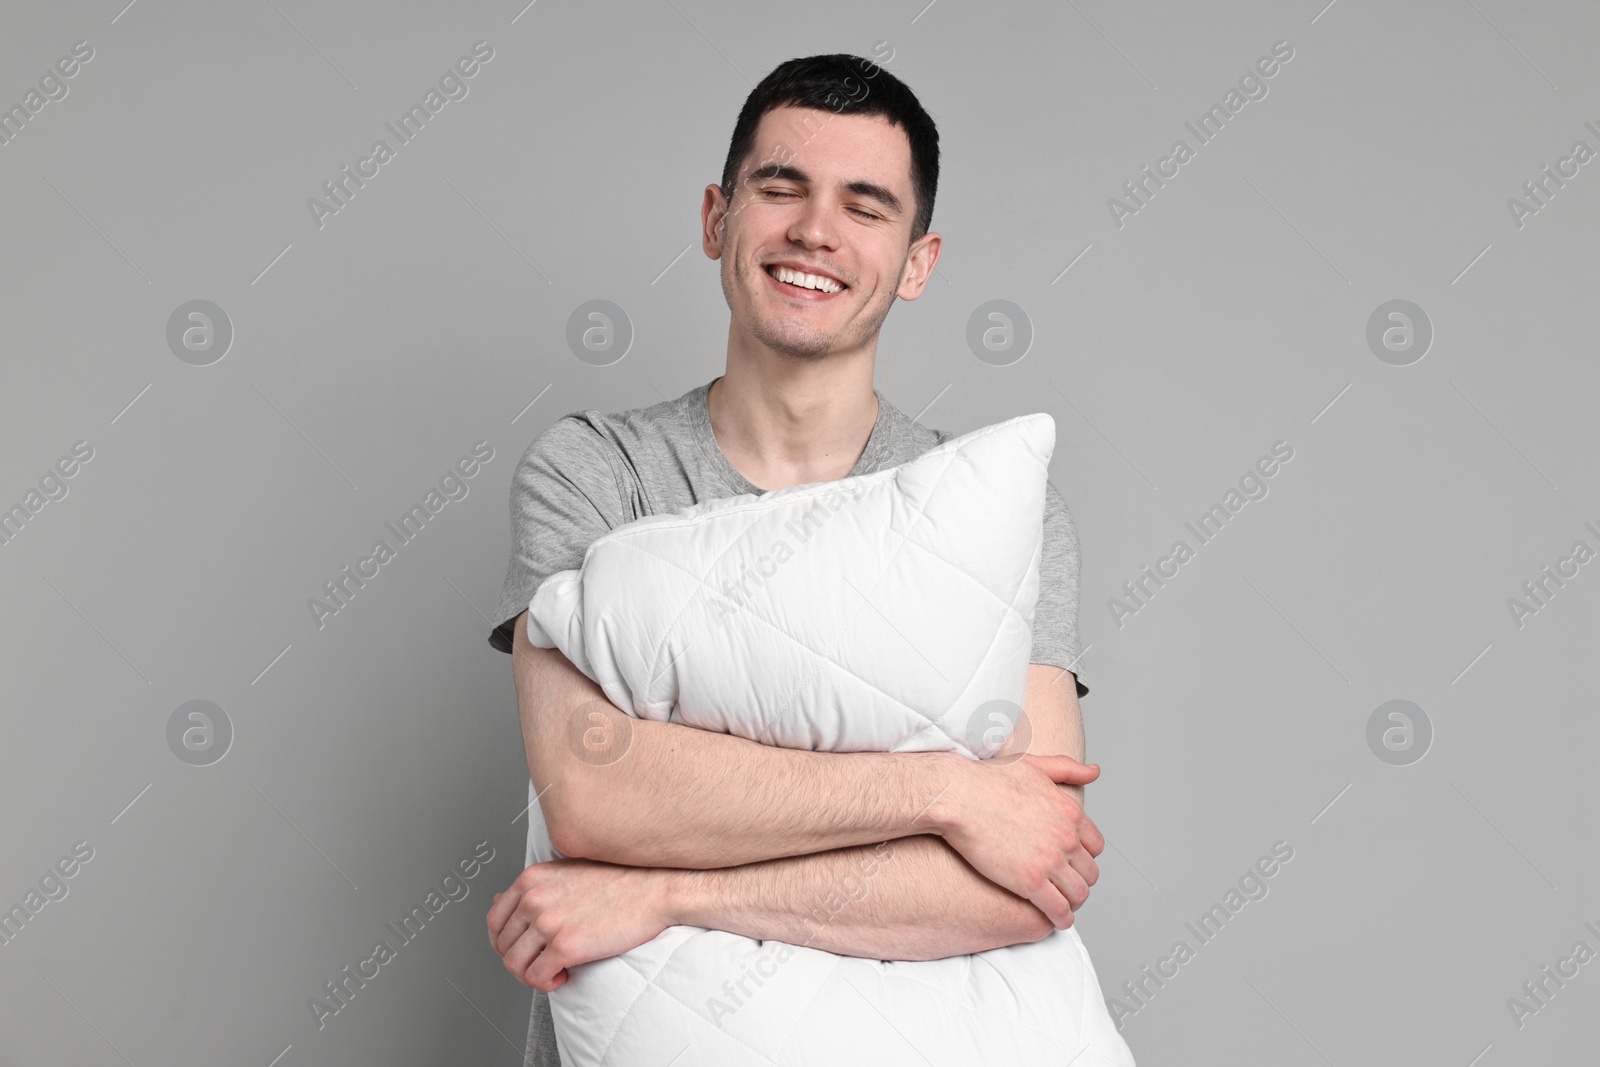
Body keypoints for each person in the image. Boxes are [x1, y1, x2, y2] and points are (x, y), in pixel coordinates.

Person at [484, 53, 1110, 1067]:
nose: (814, 231)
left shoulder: (1001, 518)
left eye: (865, 206)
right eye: (780, 189)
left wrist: (664, 888)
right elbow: (597, 794)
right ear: (715, 220)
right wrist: (948, 796)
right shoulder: (597, 473)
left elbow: (1021, 874)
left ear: (917, 261)